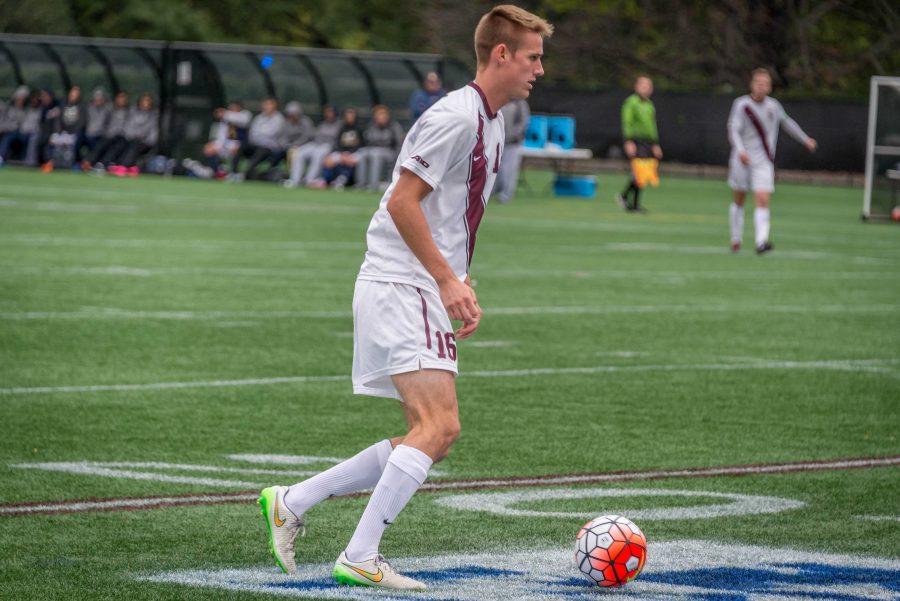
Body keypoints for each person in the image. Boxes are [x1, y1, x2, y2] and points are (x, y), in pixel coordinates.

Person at [257, 4, 552, 591]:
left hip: (414, 284)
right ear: (501, 54)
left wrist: (456, 278)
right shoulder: (456, 117)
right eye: (533, 57)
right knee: (438, 428)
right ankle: (360, 554)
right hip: (402, 283)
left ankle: (293, 500)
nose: (539, 70)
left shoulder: (489, 120)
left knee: (429, 430)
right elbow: (400, 200)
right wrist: (446, 279)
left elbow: (444, 214)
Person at [727, 67, 817, 254]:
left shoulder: (774, 106)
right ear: (752, 84)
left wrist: (806, 139)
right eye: (758, 83)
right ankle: (736, 238)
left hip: (763, 161)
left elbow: (787, 123)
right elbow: (733, 129)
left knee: (762, 197)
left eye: (765, 84)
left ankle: (761, 242)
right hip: (742, 160)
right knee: (739, 198)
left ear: (769, 87)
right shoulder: (741, 104)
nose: (761, 86)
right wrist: (741, 151)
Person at [616, 76, 662, 212]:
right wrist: (628, 141)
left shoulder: (649, 105)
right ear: (636, 86)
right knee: (639, 173)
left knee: (644, 173)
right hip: (636, 141)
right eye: (643, 85)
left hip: (647, 143)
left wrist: (655, 144)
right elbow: (627, 122)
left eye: (648, 86)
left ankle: (626, 198)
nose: (645, 88)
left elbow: (652, 126)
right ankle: (631, 202)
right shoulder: (631, 102)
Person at [284, 104, 340, 188]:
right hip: (316, 143)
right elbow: (314, 135)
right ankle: (295, 180)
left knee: (318, 154)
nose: (328, 114)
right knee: (299, 152)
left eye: (330, 112)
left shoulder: (339, 124)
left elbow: (338, 140)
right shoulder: (322, 124)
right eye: (327, 112)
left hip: (328, 146)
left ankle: (309, 180)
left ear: (335, 113)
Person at [230, 97, 285, 181]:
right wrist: (262, 134)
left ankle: (246, 174)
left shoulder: (279, 119)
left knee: (261, 151)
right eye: (265, 104)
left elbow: (271, 134)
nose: (266, 107)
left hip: (270, 148)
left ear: (274, 106)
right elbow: (253, 133)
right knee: (242, 146)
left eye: (269, 104)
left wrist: (261, 133)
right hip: (256, 144)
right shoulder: (259, 118)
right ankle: (233, 173)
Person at [354, 104, 405, 190]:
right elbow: (367, 142)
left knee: (375, 154)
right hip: (373, 150)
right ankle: (360, 184)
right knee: (361, 153)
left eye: (383, 114)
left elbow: (399, 144)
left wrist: (398, 159)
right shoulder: (371, 126)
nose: (381, 116)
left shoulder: (394, 126)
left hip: (390, 152)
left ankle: (373, 185)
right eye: (378, 114)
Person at [106, 93, 158, 175]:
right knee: (121, 142)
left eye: (148, 101)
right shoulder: (133, 112)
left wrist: (139, 137)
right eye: (144, 101)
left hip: (146, 142)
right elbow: (128, 128)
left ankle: (123, 166)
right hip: (131, 139)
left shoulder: (153, 115)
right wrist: (132, 136)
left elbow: (150, 134)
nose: (146, 103)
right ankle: (110, 164)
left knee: (135, 144)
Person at [492, 97, 529, 203]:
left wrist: (515, 135)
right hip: (498, 141)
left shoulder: (520, 103)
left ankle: (506, 194)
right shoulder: (499, 99)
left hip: (513, 142)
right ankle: (493, 191)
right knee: (495, 169)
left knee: (509, 170)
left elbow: (523, 122)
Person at [202, 100, 251, 177]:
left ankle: (234, 173)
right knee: (208, 148)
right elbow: (221, 137)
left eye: (234, 108)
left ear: (239, 108)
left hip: (240, 145)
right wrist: (217, 146)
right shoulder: (225, 120)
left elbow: (241, 119)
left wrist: (224, 113)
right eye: (230, 109)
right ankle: (216, 172)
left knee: (236, 149)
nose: (232, 111)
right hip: (226, 145)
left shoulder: (245, 115)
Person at [318, 107, 363, 189]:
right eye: (348, 116)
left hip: (355, 153)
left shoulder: (359, 129)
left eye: (351, 116)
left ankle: (343, 180)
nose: (350, 118)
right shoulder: (341, 128)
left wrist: (349, 154)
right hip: (341, 152)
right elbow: (337, 143)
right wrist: (343, 154)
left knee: (353, 160)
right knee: (329, 160)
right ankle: (326, 180)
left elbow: (361, 144)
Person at [84, 91, 130, 170]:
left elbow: (129, 127)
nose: (121, 101)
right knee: (101, 143)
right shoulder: (110, 109)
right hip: (110, 134)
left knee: (116, 146)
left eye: (123, 99)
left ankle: (103, 164)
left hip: (123, 136)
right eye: (119, 98)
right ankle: (88, 162)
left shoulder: (130, 112)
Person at [43, 85, 85, 171]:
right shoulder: (63, 106)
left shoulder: (81, 107)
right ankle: (50, 162)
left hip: (74, 133)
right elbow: (58, 121)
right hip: (63, 132)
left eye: (76, 94)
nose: (74, 96)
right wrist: (58, 132)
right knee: (51, 139)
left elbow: (81, 123)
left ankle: (74, 163)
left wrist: (73, 133)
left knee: (76, 141)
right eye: (72, 94)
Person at [270, 101, 314, 180]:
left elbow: (306, 137)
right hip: (287, 146)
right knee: (276, 153)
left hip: (302, 146)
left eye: (293, 114)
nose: (291, 116)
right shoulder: (286, 123)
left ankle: (295, 177)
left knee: (294, 153)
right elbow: (282, 136)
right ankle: (274, 174)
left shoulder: (306, 122)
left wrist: (295, 144)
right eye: (290, 114)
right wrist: (286, 145)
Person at [0, 86, 31, 167]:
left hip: (22, 133)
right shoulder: (9, 108)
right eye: (19, 98)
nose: (20, 100)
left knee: (8, 137)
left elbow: (24, 125)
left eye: (22, 98)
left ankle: (1, 157)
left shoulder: (27, 110)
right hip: (7, 131)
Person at [80, 87, 111, 163]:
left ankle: (91, 161)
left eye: (100, 98)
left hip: (101, 134)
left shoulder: (108, 109)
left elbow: (108, 124)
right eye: (96, 98)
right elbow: (84, 122)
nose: (98, 100)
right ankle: (85, 161)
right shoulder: (88, 108)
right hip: (89, 133)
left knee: (101, 142)